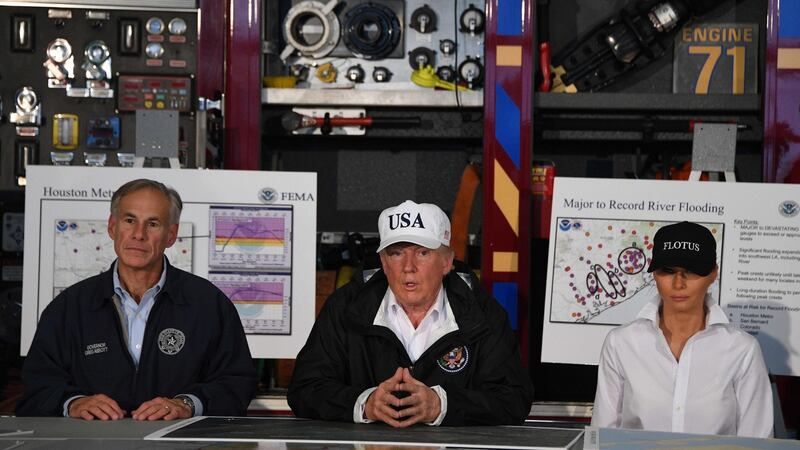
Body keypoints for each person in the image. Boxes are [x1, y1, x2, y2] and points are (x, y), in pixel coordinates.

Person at [17, 179, 257, 420]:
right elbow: (35, 389)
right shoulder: (68, 308)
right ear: (112, 227)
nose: (139, 235)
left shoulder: (209, 305)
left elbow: (237, 385)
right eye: (129, 221)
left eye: (153, 224)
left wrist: (188, 404)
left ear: (171, 235)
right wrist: (73, 403)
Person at [288, 200, 533, 427]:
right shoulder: (345, 308)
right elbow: (304, 389)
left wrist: (442, 405)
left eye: (422, 252)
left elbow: (514, 399)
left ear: (446, 262)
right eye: (396, 253)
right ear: (383, 262)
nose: (408, 267)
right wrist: (365, 403)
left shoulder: (483, 315)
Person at [591, 221, 773, 437]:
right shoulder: (621, 343)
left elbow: (758, 440)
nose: (679, 283)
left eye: (691, 271)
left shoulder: (742, 349)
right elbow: (601, 436)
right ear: (655, 274)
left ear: (714, 273)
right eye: (668, 271)